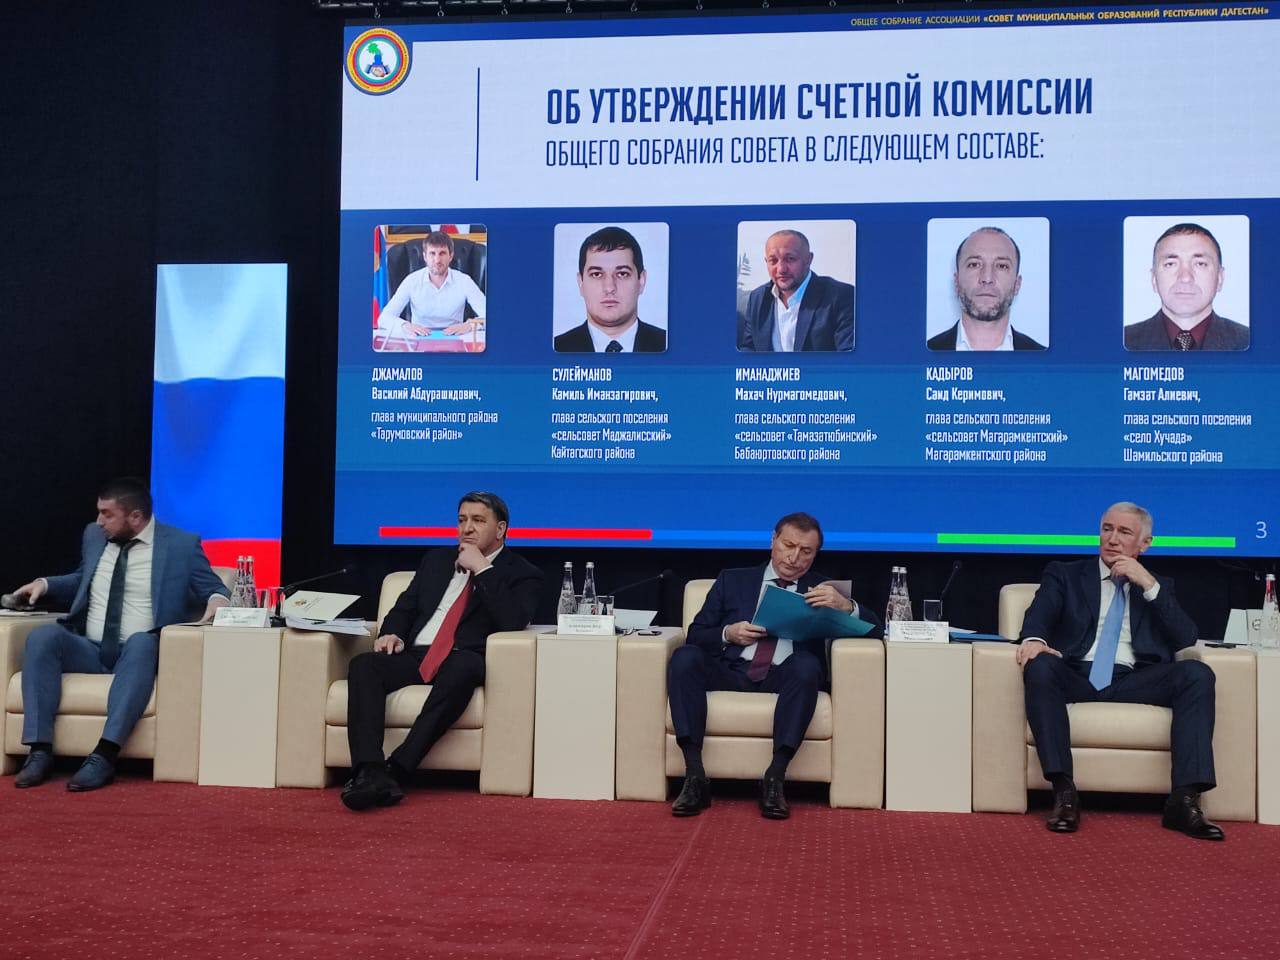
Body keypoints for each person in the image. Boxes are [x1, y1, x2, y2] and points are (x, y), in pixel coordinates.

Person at [1016, 502, 1222, 840]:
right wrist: (1035, 640)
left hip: (1133, 679)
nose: (1112, 539)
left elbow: (1185, 637)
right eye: (1107, 529)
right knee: (1040, 665)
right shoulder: (1065, 574)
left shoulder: (1158, 586)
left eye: (1124, 532)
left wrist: (1148, 584)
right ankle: (1064, 792)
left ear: (1145, 543)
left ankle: (1184, 801)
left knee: (1197, 674)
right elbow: (1039, 615)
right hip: (1075, 673)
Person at [8, 478, 229, 791]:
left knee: (141, 641)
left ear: (135, 517)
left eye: (107, 514)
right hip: (90, 649)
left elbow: (214, 588)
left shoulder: (181, 545)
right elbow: (85, 578)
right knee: (44, 637)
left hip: (139, 652)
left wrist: (217, 602)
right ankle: (39, 750)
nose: (99, 521)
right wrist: (45, 584)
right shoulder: (95, 536)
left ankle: (105, 754)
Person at [667, 512, 877, 820]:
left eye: (806, 551)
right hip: (732, 670)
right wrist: (728, 633)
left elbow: (875, 631)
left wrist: (847, 607)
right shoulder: (733, 580)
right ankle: (695, 775)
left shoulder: (824, 590)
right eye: (788, 546)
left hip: (786, 676)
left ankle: (775, 777)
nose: (794, 558)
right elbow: (697, 633)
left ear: (816, 554)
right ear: (773, 541)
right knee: (685, 657)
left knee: (807, 665)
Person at [341, 491, 543, 811]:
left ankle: (398, 768)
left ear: (501, 528)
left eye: (478, 520)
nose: (467, 528)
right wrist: (391, 633)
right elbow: (404, 609)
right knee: (365, 665)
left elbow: (512, 620)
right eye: (462, 520)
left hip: (463, 657)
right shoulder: (436, 560)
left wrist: (482, 568)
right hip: (417, 654)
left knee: (463, 666)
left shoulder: (523, 573)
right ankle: (369, 771)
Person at [1125, 222, 1249, 351]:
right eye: (1170, 264)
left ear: (1220, 278)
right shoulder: (1123, 341)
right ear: (1154, 279)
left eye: (1200, 264)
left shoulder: (1249, 342)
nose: (1185, 278)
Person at [928, 226, 1045, 351]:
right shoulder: (924, 355)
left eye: (1001, 266)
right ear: (957, 282)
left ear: (1017, 284)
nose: (987, 278)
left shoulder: (1043, 358)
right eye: (974, 264)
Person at [738, 230, 855, 352]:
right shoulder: (757, 298)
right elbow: (748, 349)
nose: (781, 269)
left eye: (790, 259)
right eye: (773, 261)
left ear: (808, 259)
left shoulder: (841, 296)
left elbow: (848, 357)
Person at [554, 226, 666, 353]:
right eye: (597, 274)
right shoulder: (557, 349)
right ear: (581, 283)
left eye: (622, 274)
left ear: (641, 281)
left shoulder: (669, 345)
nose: (609, 288)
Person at [376, 231, 486, 338]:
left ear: (451, 256)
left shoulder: (464, 281)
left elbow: (489, 316)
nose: (437, 260)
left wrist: (471, 325)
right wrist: (405, 326)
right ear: (425, 256)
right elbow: (384, 318)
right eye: (432, 253)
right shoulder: (412, 280)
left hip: (455, 338)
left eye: (442, 253)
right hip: (419, 338)